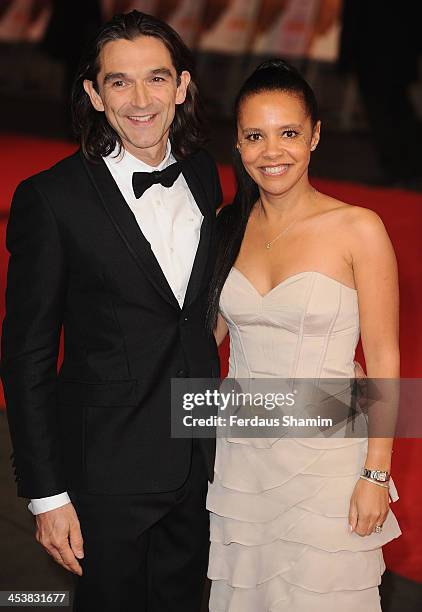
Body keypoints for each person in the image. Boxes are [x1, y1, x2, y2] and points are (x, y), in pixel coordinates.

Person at [1, 11, 222, 612]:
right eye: (120, 82)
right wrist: (46, 497)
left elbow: (195, 319)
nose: (141, 99)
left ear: (182, 86)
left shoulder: (204, 174)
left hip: (200, 457)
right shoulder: (51, 199)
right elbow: (27, 357)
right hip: (106, 474)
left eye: (156, 78)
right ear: (94, 95)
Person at [206, 59, 401, 611]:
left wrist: (374, 473)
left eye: (289, 133)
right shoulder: (227, 228)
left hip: (329, 463)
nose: (273, 152)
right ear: (238, 145)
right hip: (241, 457)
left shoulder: (358, 228)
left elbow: (386, 355)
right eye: (255, 136)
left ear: (315, 135)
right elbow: (202, 341)